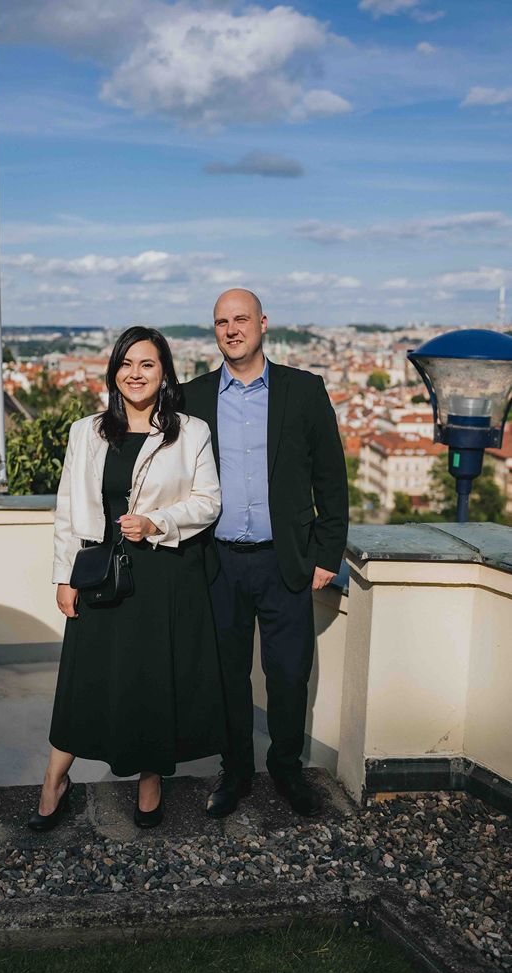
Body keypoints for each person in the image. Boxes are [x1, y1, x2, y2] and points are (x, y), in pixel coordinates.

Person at [29, 326, 226, 832]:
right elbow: (67, 510)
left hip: (164, 576)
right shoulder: (86, 432)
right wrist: (64, 576)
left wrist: (157, 522)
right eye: (126, 364)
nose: (135, 374)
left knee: (152, 680)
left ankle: (149, 781)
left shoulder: (191, 432)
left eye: (147, 364)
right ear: (114, 371)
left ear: (165, 374)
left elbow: (208, 502)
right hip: (100, 572)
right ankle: (54, 780)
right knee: (84, 679)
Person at [181, 289, 349, 819]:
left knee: (289, 674)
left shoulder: (304, 390)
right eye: (221, 322)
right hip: (218, 562)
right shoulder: (193, 397)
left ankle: (286, 769)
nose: (232, 330)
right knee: (227, 676)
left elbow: (331, 478)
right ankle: (235, 771)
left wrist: (327, 553)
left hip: (286, 560)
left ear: (263, 323)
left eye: (241, 319)